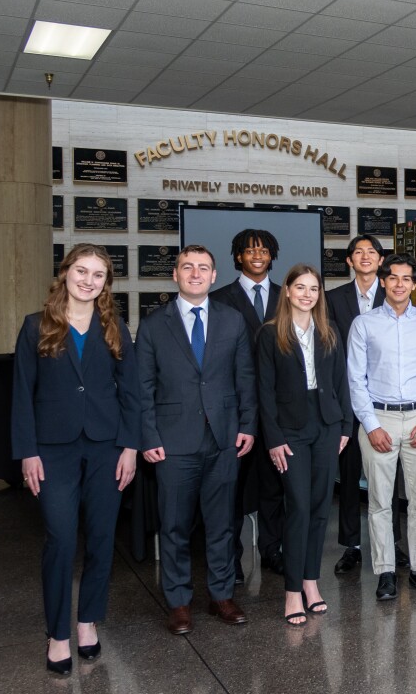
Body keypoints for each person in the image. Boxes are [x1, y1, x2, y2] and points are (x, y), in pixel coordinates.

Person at [12, 244, 140, 675]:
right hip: (52, 450)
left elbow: (133, 392)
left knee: (103, 539)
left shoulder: (114, 325)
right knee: (61, 539)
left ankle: (87, 622)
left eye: (98, 275)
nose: (88, 280)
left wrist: (130, 447)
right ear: (65, 274)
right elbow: (21, 396)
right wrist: (28, 451)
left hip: (107, 447)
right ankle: (58, 633)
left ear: (106, 283)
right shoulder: (36, 326)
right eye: (81, 271)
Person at [138, 245, 257, 635]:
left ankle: (221, 594)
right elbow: (143, 387)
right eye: (187, 267)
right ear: (175, 275)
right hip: (172, 443)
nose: (195, 273)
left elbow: (245, 378)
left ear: (213, 274)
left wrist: (247, 425)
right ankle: (178, 601)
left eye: (202, 268)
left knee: (222, 523)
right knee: (174, 525)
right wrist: (149, 435)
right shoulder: (155, 325)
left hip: (224, 439)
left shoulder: (233, 320)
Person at [254, 264, 353, 626]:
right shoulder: (270, 334)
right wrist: (274, 438)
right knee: (297, 507)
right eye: (301, 287)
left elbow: (341, 380)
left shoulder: (329, 332)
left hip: (327, 426)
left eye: (314, 288)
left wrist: (345, 425)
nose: (308, 294)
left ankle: (311, 582)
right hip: (290, 429)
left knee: (320, 509)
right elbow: (263, 391)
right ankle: (292, 591)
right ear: (289, 292)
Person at [348, 253, 416, 601]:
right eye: (393, 277)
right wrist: (371, 425)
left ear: (414, 283)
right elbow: (355, 380)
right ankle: (386, 572)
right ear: (382, 280)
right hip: (379, 419)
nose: (400, 284)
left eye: (407, 278)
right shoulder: (364, 324)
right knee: (379, 502)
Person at [209, 228, 285, 580]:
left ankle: (272, 549)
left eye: (264, 249)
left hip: (277, 407)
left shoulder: (289, 296)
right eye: (249, 250)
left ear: (272, 255)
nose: (257, 254)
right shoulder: (219, 299)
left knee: (274, 483)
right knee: (233, 487)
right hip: (234, 409)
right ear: (238, 256)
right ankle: (232, 559)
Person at [324, 234, 400, 575]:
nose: (365, 257)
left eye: (372, 252)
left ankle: (394, 542)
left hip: (387, 399)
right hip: (348, 400)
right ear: (349, 261)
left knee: (391, 474)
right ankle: (352, 545)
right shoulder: (332, 299)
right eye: (358, 252)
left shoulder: (395, 294)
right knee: (350, 473)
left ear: (381, 260)